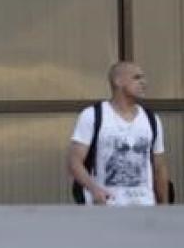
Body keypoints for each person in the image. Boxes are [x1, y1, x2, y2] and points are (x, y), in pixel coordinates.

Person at [66, 61, 171, 206]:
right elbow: (74, 162)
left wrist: (164, 206)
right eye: (137, 78)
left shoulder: (151, 120)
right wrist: (94, 190)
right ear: (118, 81)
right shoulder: (93, 116)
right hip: (104, 209)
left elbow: (160, 167)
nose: (144, 83)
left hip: (144, 208)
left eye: (143, 78)